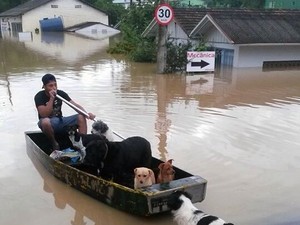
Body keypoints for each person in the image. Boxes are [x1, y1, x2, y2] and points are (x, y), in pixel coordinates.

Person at [34, 74, 95, 150]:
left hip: (60, 120)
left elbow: (74, 105)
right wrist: (51, 99)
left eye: (55, 85)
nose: (54, 88)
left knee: (81, 116)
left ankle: (82, 144)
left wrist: (87, 114)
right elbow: (44, 114)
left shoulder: (60, 93)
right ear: (44, 86)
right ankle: (54, 143)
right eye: (50, 86)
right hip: (47, 123)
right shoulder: (39, 96)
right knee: (45, 122)